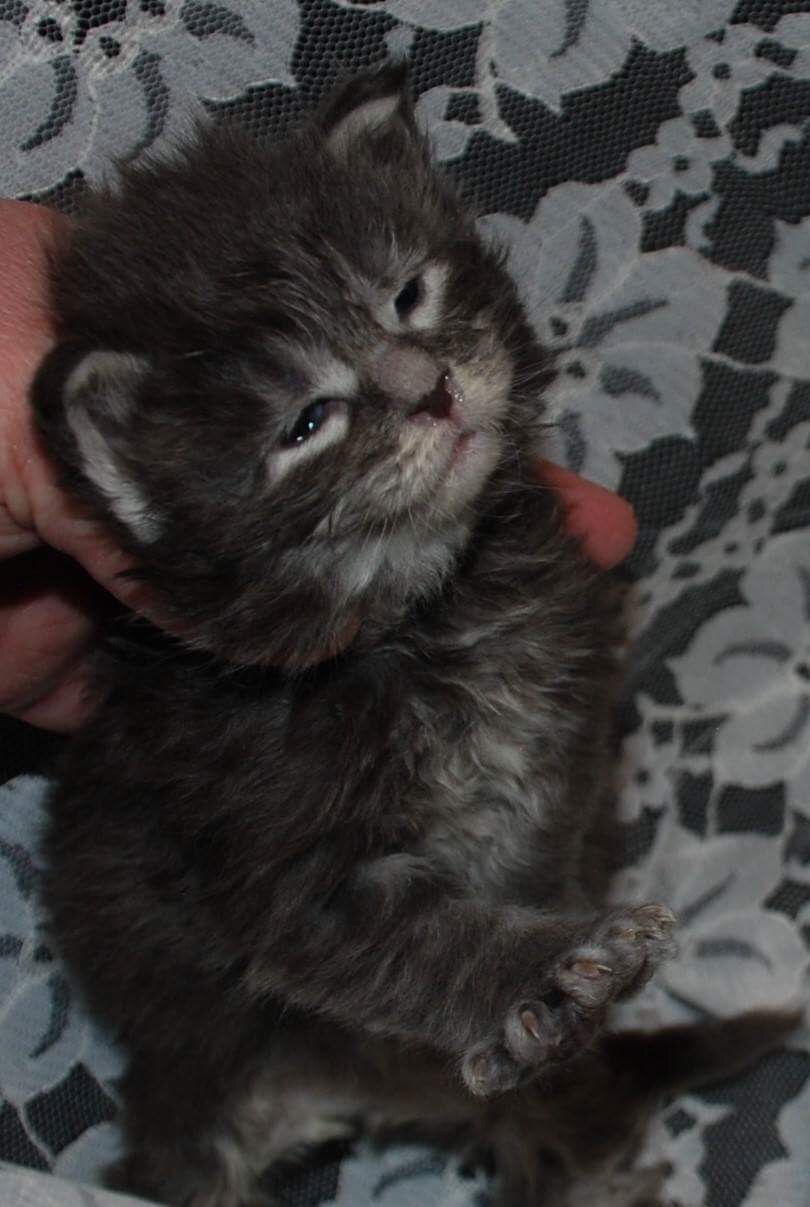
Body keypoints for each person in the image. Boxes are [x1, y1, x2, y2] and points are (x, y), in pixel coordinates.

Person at [0, 200, 638, 733]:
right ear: (146, 494)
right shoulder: (266, 769)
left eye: (408, 298)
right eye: (307, 423)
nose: (425, 382)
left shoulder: (540, 583)